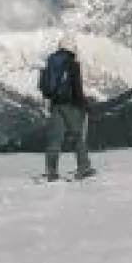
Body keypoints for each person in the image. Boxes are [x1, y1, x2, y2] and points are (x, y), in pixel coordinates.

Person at [40, 34, 96, 181]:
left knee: (55, 139)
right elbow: (77, 88)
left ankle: (51, 172)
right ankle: (84, 167)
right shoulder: (72, 63)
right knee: (78, 136)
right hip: (70, 105)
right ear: (72, 48)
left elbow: (46, 87)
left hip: (55, 105)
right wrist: (84, 104)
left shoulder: (51, 62)